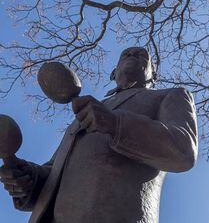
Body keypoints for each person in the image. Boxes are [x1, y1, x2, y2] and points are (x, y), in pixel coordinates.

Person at [0, 47, 198, 223]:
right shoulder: (81, 118)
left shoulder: (171, 95)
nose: (132, 55)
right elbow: (54, 172)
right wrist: (29, 178)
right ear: (113, 73)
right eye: (125, 54)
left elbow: (183, 151)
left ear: (153, 75)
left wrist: (115, 123)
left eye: (141, 55)